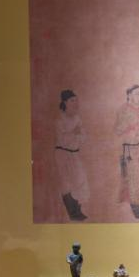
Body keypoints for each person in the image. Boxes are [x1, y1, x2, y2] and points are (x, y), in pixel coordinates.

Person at [114, 84, 139, 220]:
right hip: (127, 149)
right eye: (137, 94)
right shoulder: (123, 109)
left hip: (137, 148)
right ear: (129, 95)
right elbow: (117, 130)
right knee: (132, 180)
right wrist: (130, 126)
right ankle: (137, 211)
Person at [54, 89, 89, 221]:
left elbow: (84, 137)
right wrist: (74, 133)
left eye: (76, 100)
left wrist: (76, 135)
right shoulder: (59, 119)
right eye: (72, 100)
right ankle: (72, 213)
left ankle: (78, 211)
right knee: (67, 184)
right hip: (62, 154)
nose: (75, 103)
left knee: (80, 181)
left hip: (74, 154)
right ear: (65, 102)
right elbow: (62, 140)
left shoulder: (77, 118)